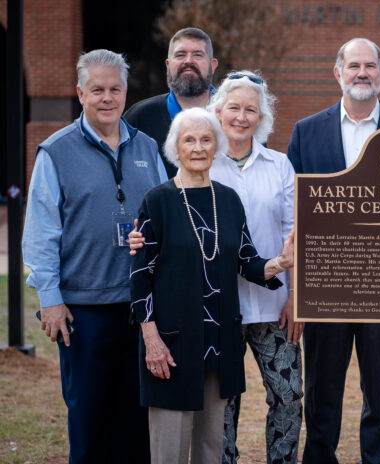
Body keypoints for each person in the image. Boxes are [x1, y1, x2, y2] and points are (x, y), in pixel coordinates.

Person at [130, 70, 303, 464]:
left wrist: (284, 267)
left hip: (236, 323)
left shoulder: (231, 196)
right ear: (175, 146)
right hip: (182, 329)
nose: (198, 147)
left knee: (223, 430)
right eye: (189, 140)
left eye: (205, 140)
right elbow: (142, 274)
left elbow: (249, 258)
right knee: (185, 434)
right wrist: (151, 339)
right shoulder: (160, 198)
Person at [22, 49, 168, 464]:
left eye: (115, 89)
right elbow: (40, 234)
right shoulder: (56, 152)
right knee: (89, 424)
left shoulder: (147, 147)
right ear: (80, 92)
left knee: (136, 424)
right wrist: (50, 298)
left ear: (126, 92)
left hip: (140, 309)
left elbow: (163, 218)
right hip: (82, 312)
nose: (108, 98)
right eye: (98, 89)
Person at [287, 37, 380, 464]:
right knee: (323, 388)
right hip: (326, 284)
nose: (362, 73)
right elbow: (293, 210)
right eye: (354, 65)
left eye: (370, 65)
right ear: (337, 72)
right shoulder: (306, 132)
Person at [125, 27, 218, 177]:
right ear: (168, 65)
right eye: (180, 55)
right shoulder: (140, 117)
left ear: (212, 66)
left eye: (197, 55)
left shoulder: (234, 118)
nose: (188, 61)